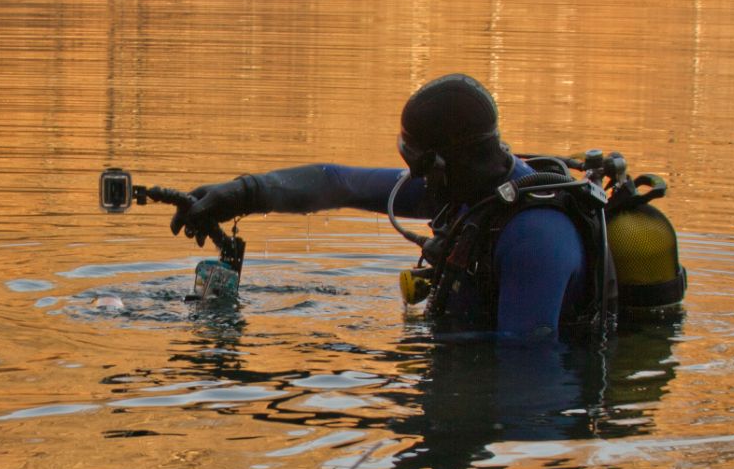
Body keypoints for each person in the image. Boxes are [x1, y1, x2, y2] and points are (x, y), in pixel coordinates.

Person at [167, 73, 684, 336]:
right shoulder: (468, 189)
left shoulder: (535, 240)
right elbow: (339, 182)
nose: (406, 174)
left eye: (412, 160)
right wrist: (240, 193)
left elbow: (526, 374)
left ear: (439, 165)